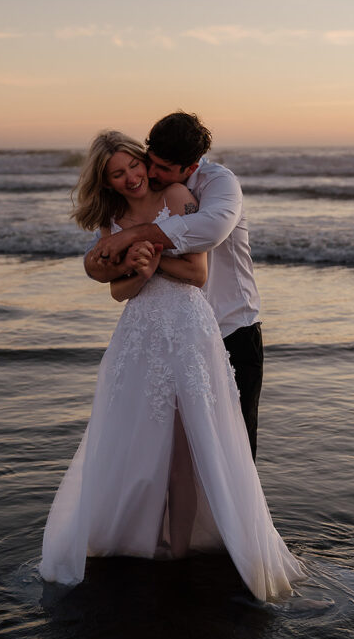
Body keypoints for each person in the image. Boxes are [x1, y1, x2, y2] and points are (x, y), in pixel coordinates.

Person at [39, 130, 303, 602]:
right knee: (136, 443)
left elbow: (198, 273)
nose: (131, 177)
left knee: (188, 449)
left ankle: (181, 549)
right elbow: (119, 292)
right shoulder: (113, 219)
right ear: (107, 181)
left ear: (145, 162)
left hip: (187, 330)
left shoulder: (180, 195)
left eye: (133, 166)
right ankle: (140, 538)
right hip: (139, 336)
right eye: (117, 174)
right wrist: (134, 272)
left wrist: (150, 258)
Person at [86, 111, 263, 458]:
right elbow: (104, 266)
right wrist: (114, 261)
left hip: (232, 328)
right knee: (170, 450)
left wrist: (138, 240)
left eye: (162, 169)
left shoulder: (219, 184)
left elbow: (209, 232)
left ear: (191, 166)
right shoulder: (144, 196)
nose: (150, 173)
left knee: (233, 452)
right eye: (149, 162)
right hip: (174, 337)